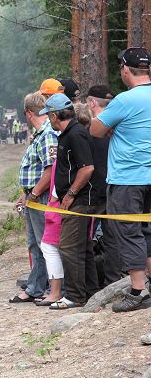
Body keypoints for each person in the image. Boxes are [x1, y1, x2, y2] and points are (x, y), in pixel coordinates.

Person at [90, 47, 151, 312]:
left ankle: (138, 290)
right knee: (148, 231)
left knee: (128, 232)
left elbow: (96, 129)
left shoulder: (124, 101)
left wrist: (110, 123)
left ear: (126, 70)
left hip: (128, 177)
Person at [39, 93, 99, 310]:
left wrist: (70, 194)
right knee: (81, 248)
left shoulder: (76, 134)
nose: (48, 120)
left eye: (48, 116)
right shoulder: (66, 134)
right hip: (76, 199)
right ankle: (91, 292)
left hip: (80, 200)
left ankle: (74, 295)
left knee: (68, 246)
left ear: (55, 116)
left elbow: (87, 168)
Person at [9, 92, 58, 303]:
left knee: (43, 243)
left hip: (41, 196)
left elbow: (50, 170)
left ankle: (49, 287)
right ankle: (36, 286)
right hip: (33, 196)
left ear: (29, 113)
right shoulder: (40, 133)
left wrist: (35, 193)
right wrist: (26, 195)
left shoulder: (47, 134)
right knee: (34, 244)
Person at [86, 85, 119, 287]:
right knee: (113, 238)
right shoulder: (119, 123)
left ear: (92, 103)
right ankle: (113, 280)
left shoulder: (92, 127)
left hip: (94, 190)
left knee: (85, 238)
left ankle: (90, 284)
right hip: (115, 185)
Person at [36, 160, 64, 306]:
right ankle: (57, 291)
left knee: (50, 246)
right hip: (59, 201)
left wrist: (54, 197)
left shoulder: (70, 140)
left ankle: (56, 292)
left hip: (59, 203)